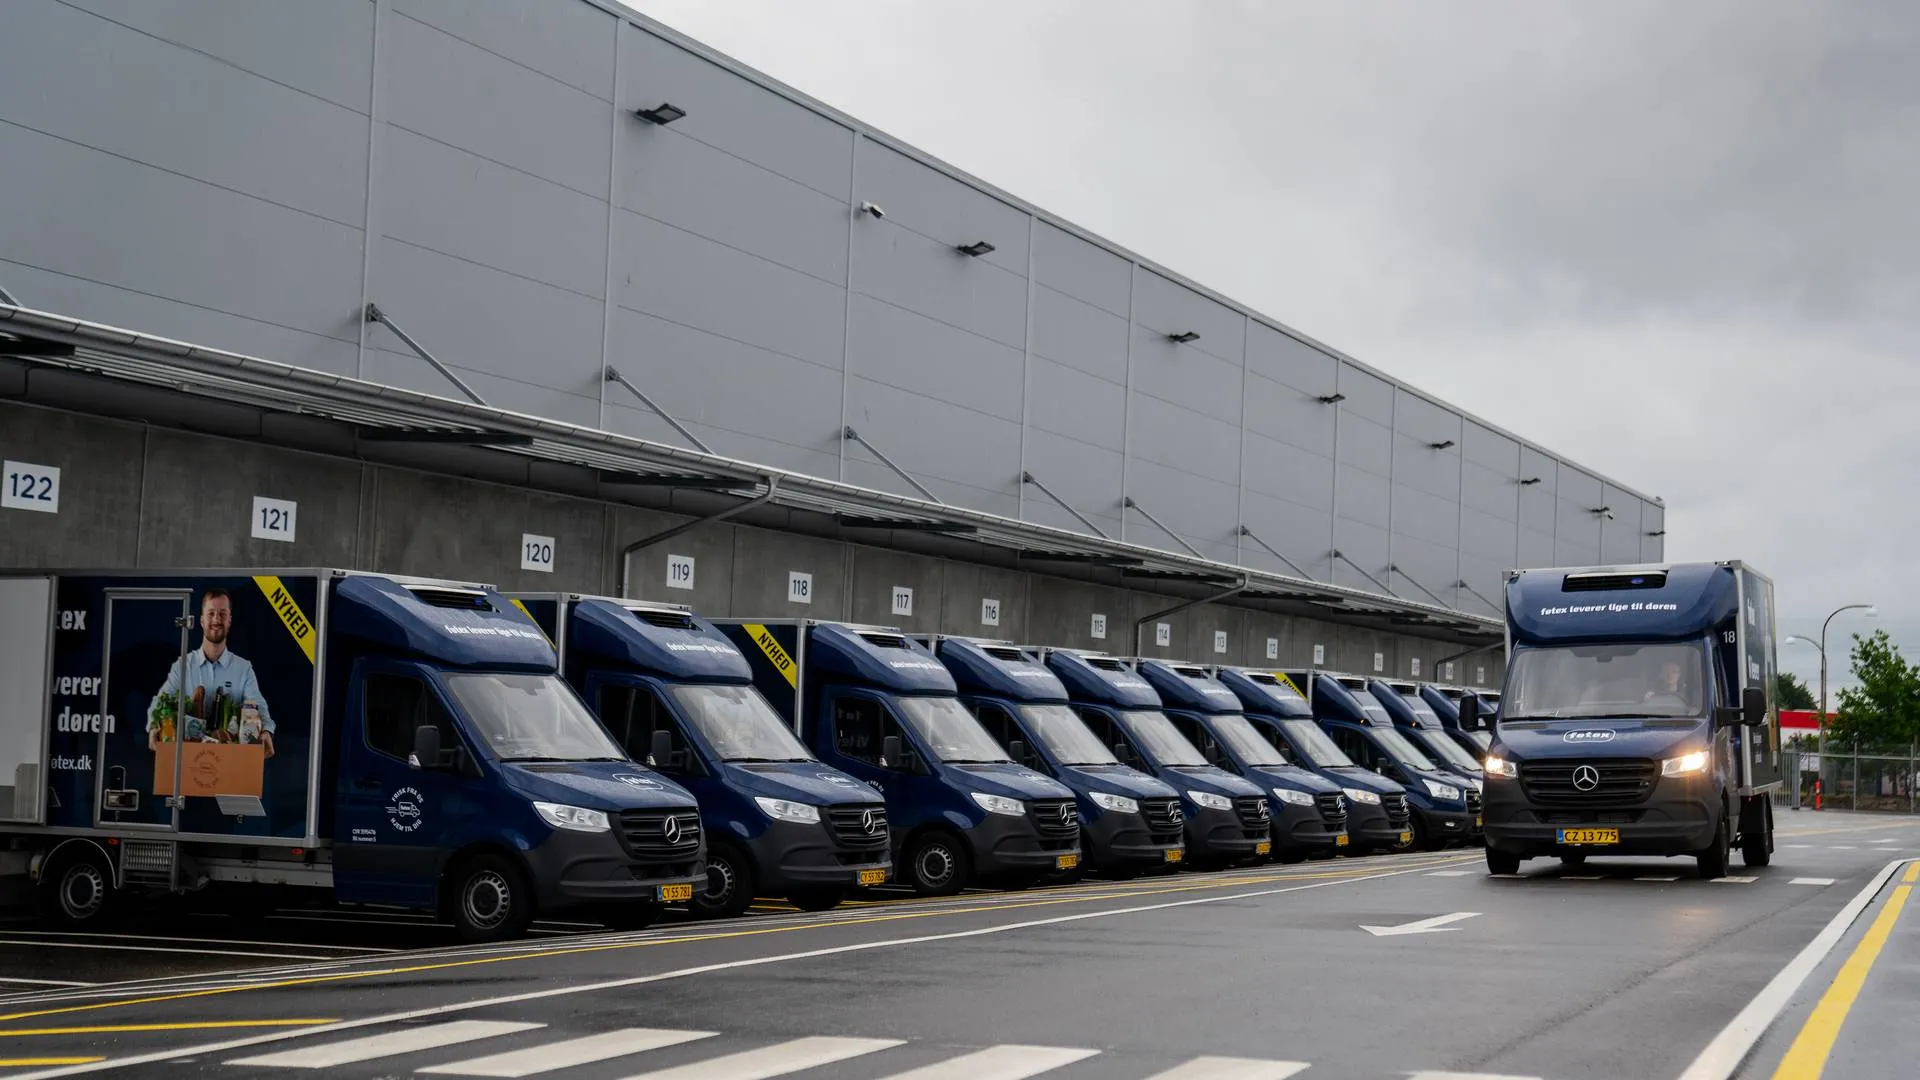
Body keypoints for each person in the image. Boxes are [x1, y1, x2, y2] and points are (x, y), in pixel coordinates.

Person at [148, 588, 275, 758]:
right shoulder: (183, 666)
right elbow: (160, 703)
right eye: (211, 613)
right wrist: (153, 727)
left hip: (230, 762)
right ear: (201, 620)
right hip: (188, 760)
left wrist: (266, 731)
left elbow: (259, 707)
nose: (216, 619)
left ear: (230, 620)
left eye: (223, 614)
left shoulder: (243, 669)